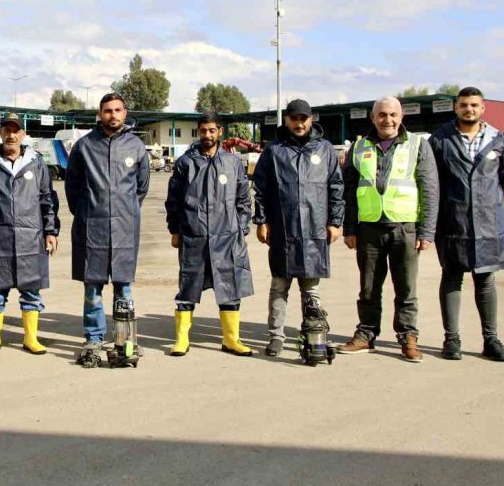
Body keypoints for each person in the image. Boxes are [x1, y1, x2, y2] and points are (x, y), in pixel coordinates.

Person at [339, 96, 439, 362]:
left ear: (401, 116)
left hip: (404, 228)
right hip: (369, 228)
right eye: (382, 115)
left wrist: (427, 231)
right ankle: (366, 334)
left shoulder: (418, 145)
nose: (388, 120)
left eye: (393, 114)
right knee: (369, 288)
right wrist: (349, 228)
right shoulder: (359, 147)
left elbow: (430, 189)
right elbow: (349, 191)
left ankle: (408, 337)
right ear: (373, 118)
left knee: (406, 288)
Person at [252, 99, 344, 357]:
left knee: (310, 287)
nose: (299, 122)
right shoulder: (274, 150)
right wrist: (261, 221)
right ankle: (276, 335)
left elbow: (336, 187)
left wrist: (335, 221)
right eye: (294, 118)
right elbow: (260, 188)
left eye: (304, 118)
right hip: (283, 228)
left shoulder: (324, 150)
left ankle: (311, 330)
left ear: (311, 119)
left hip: (315, 229)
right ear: (287, 120)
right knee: (279, 286)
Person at [428, 87, 504, 362]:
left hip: (488, 225)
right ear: (456, 107)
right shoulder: (440, 139)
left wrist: (489, 203)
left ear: (483, 108)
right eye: (464, 105)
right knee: (452, 278)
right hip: (452, 222)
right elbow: (431, 180)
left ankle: (491, 340)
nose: (469, 109)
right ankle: (451, 339)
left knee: (486, 281)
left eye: (474, 105)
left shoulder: (497, 140)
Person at [65, 93, 149, 358]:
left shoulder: (136, 146)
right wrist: (87, 213)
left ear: (125, 113)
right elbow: (72, 187)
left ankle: (124, 340)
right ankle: (93, 337)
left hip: (125, 228)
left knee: (124, 287)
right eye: (107, 110)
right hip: (93, 227)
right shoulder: (84, 147)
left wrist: (126, 211)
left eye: (117, 110)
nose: (113, 115)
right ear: (100, 114)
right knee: (93, 286)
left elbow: (141, 187)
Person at [164, 112, 254, 357]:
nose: (207, 135)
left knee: (229, 287)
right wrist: (175, 229)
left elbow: (243, 199)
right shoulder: (186, 163)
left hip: (227, 236)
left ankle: (231, 339)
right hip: (194, 235)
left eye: (212, 130)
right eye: (203, 131)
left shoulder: (233, 163)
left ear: (220, 132)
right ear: (198, 131)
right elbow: (173, 200)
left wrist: (243, 228)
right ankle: (182, 339)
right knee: (188, 287)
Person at [0, 114, 59, 355]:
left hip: (31, 236)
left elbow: (47, 198)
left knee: (31, 289)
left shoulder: (36, 162)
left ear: (23, 134)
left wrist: (51, 230)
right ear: (0, 133)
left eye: (16, 130)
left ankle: (31, 338)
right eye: (6, 130)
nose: (11, 135)